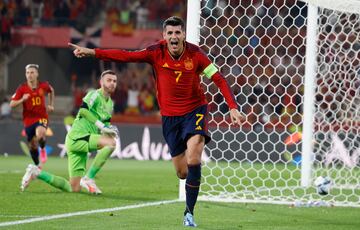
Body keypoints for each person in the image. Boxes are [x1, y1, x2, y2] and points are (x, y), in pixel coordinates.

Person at [68, 16, 242, 227]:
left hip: (195, 110)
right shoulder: (155, 53)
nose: (174, 36)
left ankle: (189, 213)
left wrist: (232, 106)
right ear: (164, 36)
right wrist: (93, 52)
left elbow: (218, 79)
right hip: (170, 117)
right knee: (182, 172)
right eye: (170, 33)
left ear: (184, 34)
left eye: (178, 32)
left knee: (195, 154)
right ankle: (191, 178)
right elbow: (125, 56)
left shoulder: (196, 54)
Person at [20, 70, 118, 194]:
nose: (112, 83)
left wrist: (109, 131)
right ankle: (89, 178)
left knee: (73, 188)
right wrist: (102, 127)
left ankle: (36, 172)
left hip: (82, 141)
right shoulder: (94, 95)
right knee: (111, 143)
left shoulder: (110, 104)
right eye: (109, 80)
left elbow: (106, 125)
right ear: (101, 82)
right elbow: (83, 111)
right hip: (78, 136)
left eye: (114, 81)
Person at [10, 64, 55, 167]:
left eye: (32, 72)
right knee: (32, 145)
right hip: (28, 120)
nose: (29, 75)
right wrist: (22, 99)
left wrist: (51, 105)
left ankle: (43, 149)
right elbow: (12, 104)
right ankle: (37, 166)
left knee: (40, 133)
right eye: (27, 73)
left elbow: (51, 91)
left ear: (37, 74)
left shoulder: (43, 85)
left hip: (42, 117)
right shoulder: (22, 89)